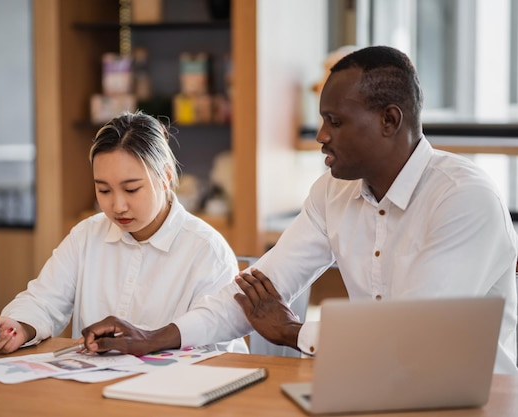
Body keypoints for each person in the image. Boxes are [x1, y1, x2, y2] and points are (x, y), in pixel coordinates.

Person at [80, 46, 518, 375]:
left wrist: (292, 333)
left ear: (390, 120)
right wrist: (155, 338)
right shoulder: (333, 192)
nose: (321, 135)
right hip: (373, 388)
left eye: (336, 121)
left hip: (470, 401)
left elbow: (412, 338)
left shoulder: (463, 198)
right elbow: (258, 292)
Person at [0, 110, 248, 354]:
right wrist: (18, 326)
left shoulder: (206, 250)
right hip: (92, 392)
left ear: (166, 177)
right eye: (104, 190)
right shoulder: (87, 236)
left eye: (131, 189)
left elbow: (216, 343)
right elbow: (43, 299)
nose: (117, 206)